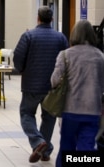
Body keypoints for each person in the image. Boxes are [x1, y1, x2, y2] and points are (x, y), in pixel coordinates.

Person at [13, 6, 68, 163]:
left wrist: (22, 70)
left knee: (26, 113)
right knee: (49, 117)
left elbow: (18, 57)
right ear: (51, 19)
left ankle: (38, 142)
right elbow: (66, 60)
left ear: (38, 18)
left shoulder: (28, 36)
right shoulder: (61, 37)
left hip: (31, 85)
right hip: (52, 87)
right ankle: (45, 151)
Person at [53, 20, 104, 167]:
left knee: (66, 147)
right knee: (87, 148)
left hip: (70, 110)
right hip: (93, 110)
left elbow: (54, 81)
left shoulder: (65, 55)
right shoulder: (100, 57)